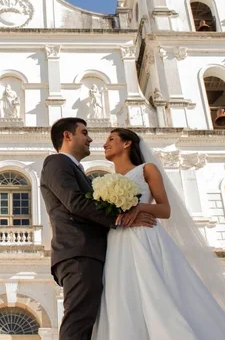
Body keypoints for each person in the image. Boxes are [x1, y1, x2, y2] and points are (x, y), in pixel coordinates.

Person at [91, 128, 225, 340]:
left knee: (154, 291)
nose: (104, 144)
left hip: (144, 235)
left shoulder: (146, 169)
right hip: (117, 240)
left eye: (111, 139)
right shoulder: (107, 181)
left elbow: (165, 209)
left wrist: (138, 208)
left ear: (127, 143)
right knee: (121, 294)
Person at [40, 118, 157, 340]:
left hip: (91, 252)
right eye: (84, 132)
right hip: (79, 252)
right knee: (79, 320)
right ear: (67, 136)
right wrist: (123, 218)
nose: (90, 138)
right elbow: (75, 202)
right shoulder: (56, 162)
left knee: (91, 323)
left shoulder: (77, 169)